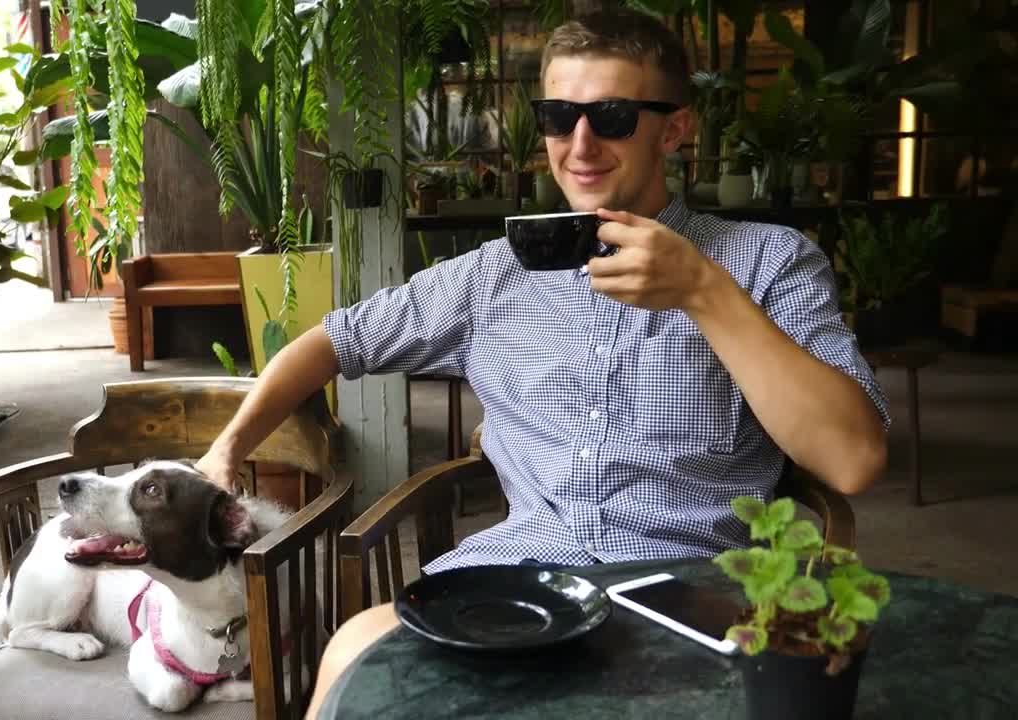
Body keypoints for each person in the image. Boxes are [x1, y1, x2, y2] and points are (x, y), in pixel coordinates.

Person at [195, 8, 890, 717]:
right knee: (354, 653)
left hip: (694, 591)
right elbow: (334, 341)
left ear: (675, 129)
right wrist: (227, 452)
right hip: (522, 582)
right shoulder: (490, 276)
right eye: (559, 117)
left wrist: (705, 294)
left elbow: (852, 460)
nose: (579, 144)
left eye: (612, 116)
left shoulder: (767, 261)